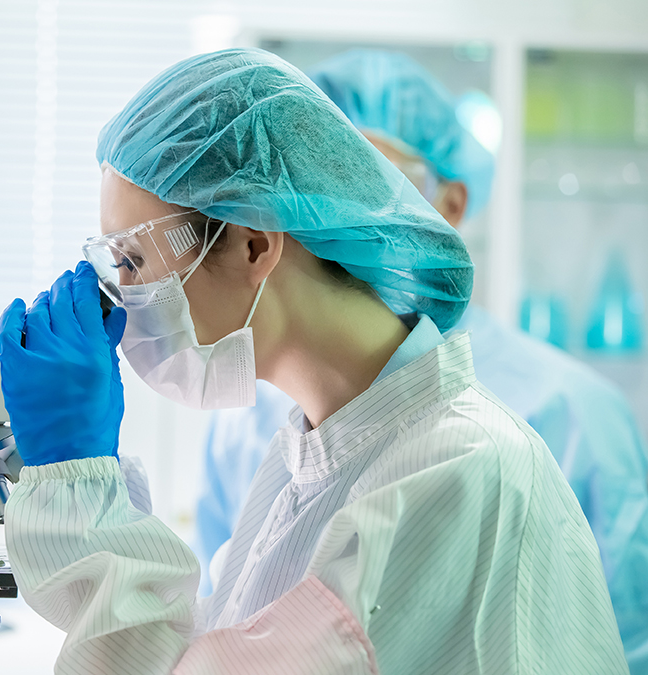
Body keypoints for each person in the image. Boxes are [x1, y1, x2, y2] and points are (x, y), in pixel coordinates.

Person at [0, 48, 627, 674]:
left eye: (132, 261)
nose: (119, 299)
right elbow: (208, 654)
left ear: (253, 244)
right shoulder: (310, 463)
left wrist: (79, 489)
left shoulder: (454, 473)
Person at [194, 49, 648, 673]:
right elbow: (223, 632)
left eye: (369, 174)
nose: (333, 210)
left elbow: (618, 646)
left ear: (452, 205)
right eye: (319, 177)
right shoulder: (253, 416)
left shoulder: (570, 415)